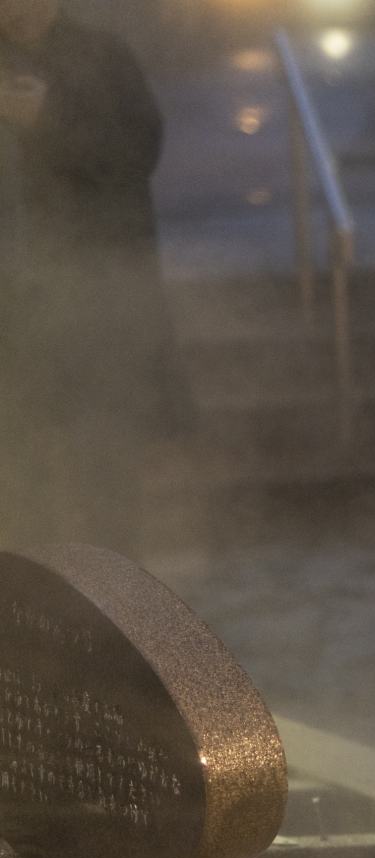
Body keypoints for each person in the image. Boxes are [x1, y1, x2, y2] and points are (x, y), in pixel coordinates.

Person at [0, 0, 176, 550]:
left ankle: (113, 598)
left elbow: (134, 152)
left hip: (91, 287)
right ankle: (29, 602)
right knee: (19, 465)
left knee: (102, 456)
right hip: (13, 294)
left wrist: (46, 120)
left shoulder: (101, 55)